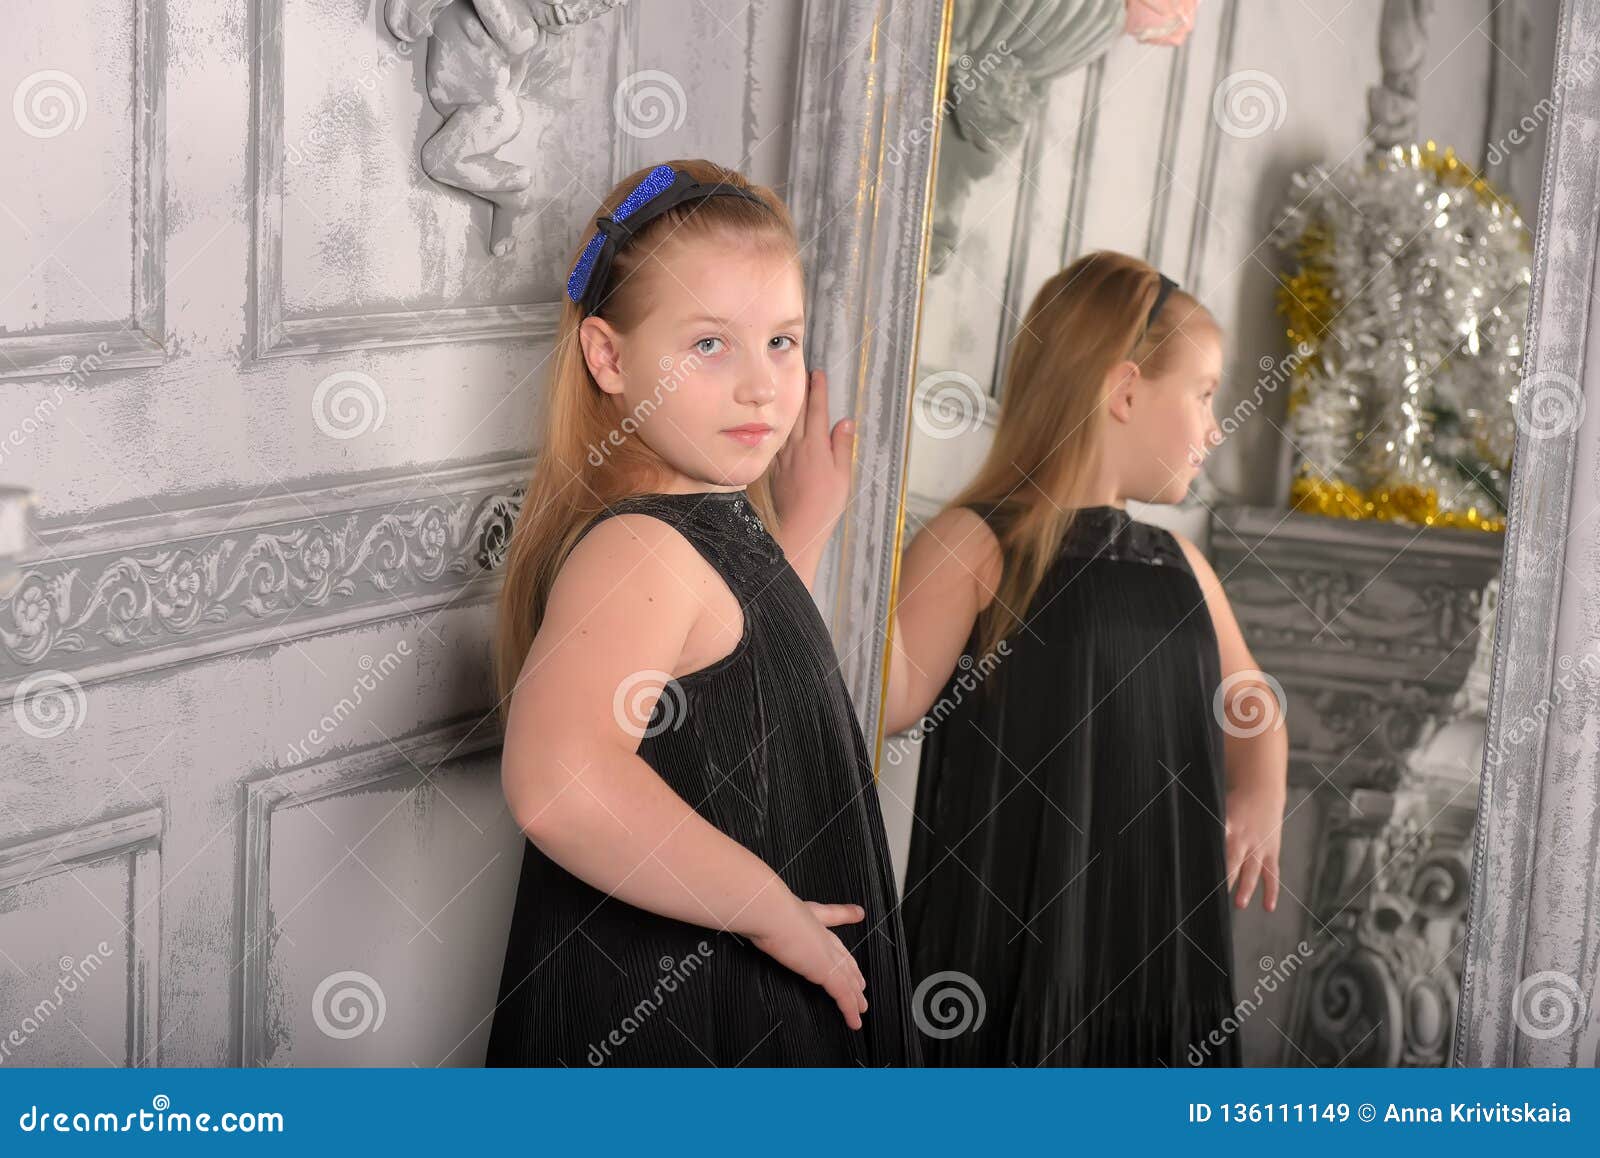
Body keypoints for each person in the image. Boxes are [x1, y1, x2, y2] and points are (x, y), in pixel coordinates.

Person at [483, 159, 921, 1067]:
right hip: (683, 1010)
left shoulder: (707, 534)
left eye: (784, 342)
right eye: (711, 344)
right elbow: (559, 786)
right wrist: (771, 914)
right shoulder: (639, 549)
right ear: (609, 357)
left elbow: (735, 690)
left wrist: (799, 533)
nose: (763, 387)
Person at [884, 250, 1288, 1065]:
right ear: (1126, 389)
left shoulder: (1179, 566)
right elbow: (877, 699)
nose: (1216, 428)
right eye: (1205, 395)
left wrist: (1260, 795)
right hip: (1008, 949)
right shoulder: (977, 546)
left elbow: (1252, 703)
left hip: (1155, 952)